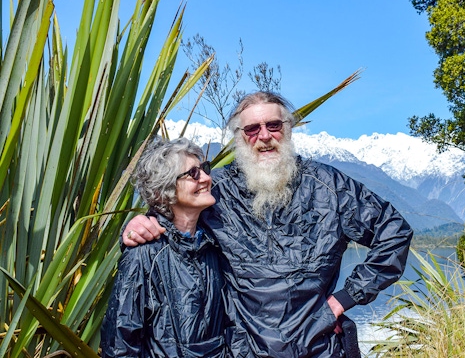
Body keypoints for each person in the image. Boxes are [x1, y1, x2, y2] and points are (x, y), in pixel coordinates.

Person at [123, 91, 413, 357]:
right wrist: (140, 224)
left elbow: (394, 233)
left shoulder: (329, 186)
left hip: (319, 346)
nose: (264, 136)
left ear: (287, 129)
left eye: (273, 125)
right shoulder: (215, 190)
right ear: (240, 136)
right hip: (242, 350)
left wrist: (343, 300)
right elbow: (172, 219)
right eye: (252, 129)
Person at [101, 138, 232, 358]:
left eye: (204, 169)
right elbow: (121, 341)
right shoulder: (144, 253)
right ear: (164, 191)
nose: (207, 178)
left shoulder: (214, 244)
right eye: (193, 174)